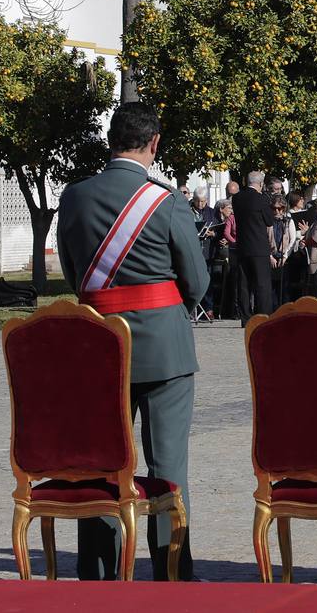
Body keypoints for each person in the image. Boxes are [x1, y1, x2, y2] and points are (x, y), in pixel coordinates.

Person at [55, 102, 208, 580]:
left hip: (99, 348)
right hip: (164, 348)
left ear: (110, 141)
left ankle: (100, 568)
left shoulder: (75, 198)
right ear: (154, 143)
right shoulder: (166, 202)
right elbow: (198, 283)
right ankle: (170, 568)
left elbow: (73, 272)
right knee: (167, 464)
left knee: (102, 464)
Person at [232, 171, 275, 321]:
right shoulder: (261, 198)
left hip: (242, 246)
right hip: (259, 246)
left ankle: (245, 317)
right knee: (262, 284)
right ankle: (263, 315)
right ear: (261, 183)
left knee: (244, 284)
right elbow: (269, 220)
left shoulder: (237, 198)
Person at [190, 187, 221, 318]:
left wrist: (213, 233)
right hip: (192, 250)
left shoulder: (212, 212)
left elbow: (220, 229)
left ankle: (208, 308)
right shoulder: (186, 210)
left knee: (208, 279)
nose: (200, 204)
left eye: (203, 201)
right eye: (197, 201)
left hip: (207, 251)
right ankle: (192, 308)